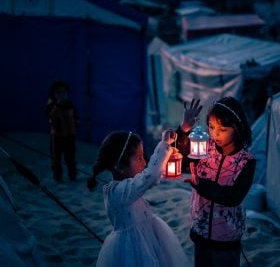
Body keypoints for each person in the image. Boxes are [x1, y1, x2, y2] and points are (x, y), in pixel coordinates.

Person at [88, 130, 190, 267]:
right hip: (132, 248)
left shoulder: (128, 186)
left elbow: (153, 173)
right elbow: (151, 176)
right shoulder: (120, 192)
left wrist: (180, 131)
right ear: (120, 167)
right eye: (139, 158)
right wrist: (164, 144)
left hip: (149, 238)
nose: (145, 162)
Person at [176, 97, 256, 267]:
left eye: (223, 129)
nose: (215, 134)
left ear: (237, 127)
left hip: (227, 239)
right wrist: (183, 129)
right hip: (200, 231)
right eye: (211, 127)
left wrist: (200, 184)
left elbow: (233, 197)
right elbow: (179, 155)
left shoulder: (245, 161)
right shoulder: (204, 146)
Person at [47, 80, 79, 182]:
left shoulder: (70, 104)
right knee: (56, 158)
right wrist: (56, 107)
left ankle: (72, 176)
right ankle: (58, 177)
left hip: (70, 135)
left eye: (64, 92)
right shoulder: (52, 104)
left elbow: (75, 117)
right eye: (58, 92)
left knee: (70, 157)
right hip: (56, 136)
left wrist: (76, 124)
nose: (61, 95)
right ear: (54, 94)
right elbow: (50, 117)